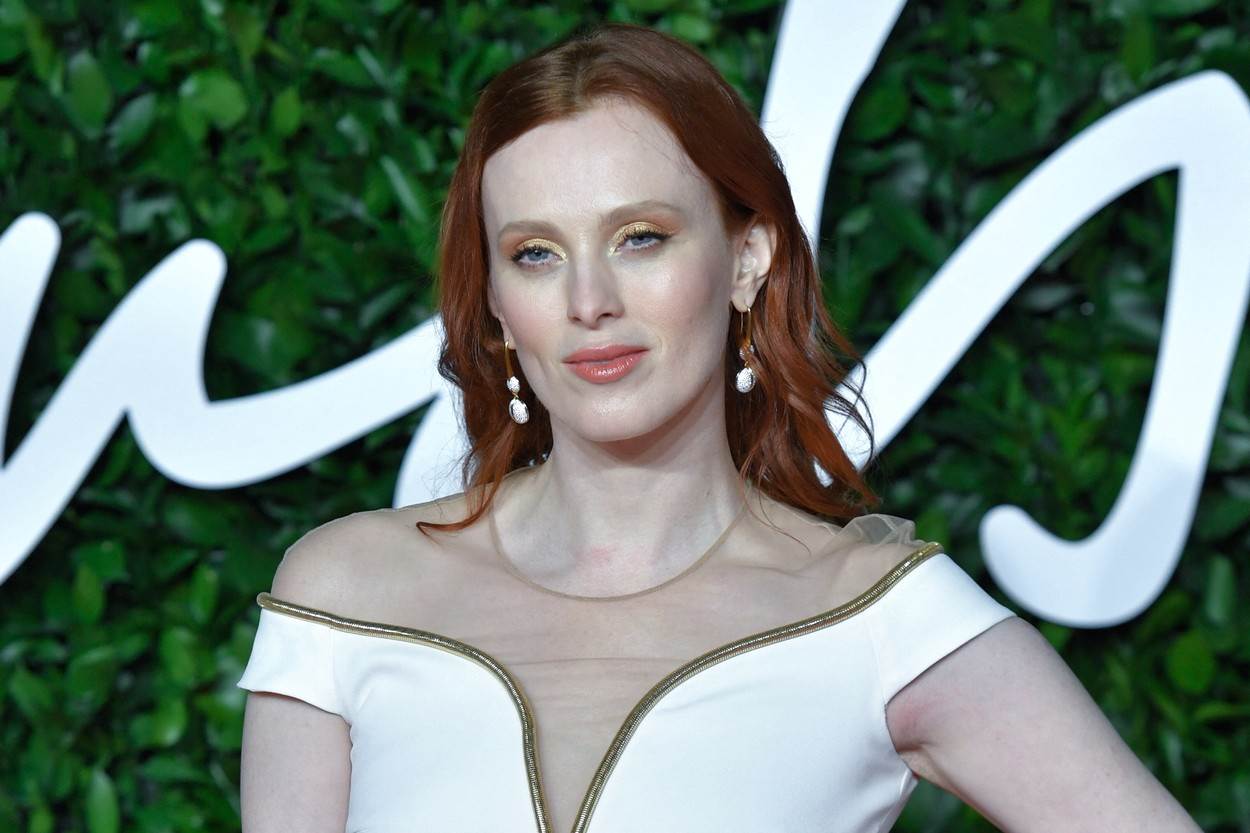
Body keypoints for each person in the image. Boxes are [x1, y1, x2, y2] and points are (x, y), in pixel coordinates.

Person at [236, 21, 1202, 833]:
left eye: (640, 238)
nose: (589, 300)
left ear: (747, 260)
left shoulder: (881, 620)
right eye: (535, 253)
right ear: (494, 301)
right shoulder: (345, 594)